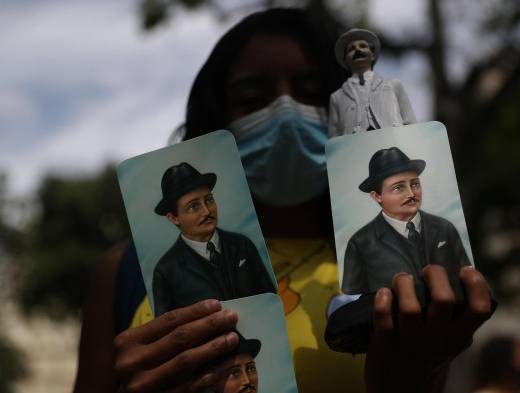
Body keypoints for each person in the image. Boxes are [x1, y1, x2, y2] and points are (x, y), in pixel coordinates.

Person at [73, 8, 493, 393]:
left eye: (311, 93)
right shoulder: (128, 272)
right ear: (217, 119)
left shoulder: (398, 267)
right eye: (253, 99)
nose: (287, 112)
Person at [342, 147, 471, 296]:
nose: (411, 194)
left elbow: (467, 276)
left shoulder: (444, 228)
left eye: (415, 184)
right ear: (377, 196)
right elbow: (353, 299)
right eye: (398, 188)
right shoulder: (360, 244)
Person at [152, 162, 275, 316]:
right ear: (173, 218)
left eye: (209, 200)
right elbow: (168, 330)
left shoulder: (242, 245)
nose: (206, 211)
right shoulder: (166, 271)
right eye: (194, 206)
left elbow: (272, 301)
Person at [328, 29, 416, 137]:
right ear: (345, 59)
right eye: (351, 49)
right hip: (355, 149)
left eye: (363, 46)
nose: (357, 50)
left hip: (394, 143)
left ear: (373, 55)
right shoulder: (337, 97)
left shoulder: (393, 85)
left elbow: (411, 123)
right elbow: (333, 138)